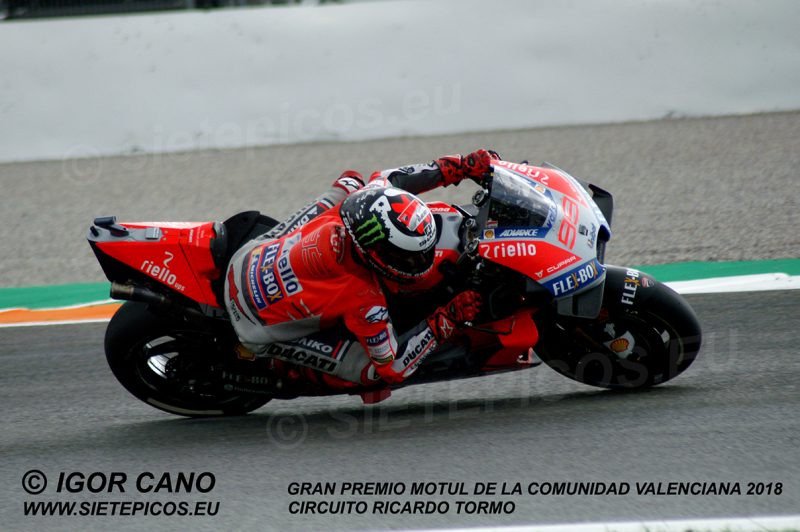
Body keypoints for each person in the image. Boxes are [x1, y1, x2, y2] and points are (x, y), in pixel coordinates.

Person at [224, 149, 498, 386]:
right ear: (376, 255)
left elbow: (394, 179)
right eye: (409, 258)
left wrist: (459, 166)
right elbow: (394, 367)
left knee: (350, 183)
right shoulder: (365, 300)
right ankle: (290, 371)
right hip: (253, 325)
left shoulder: (359, 202)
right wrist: (446, 320)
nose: (419, 261)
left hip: (246, 260)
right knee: (370, 372)